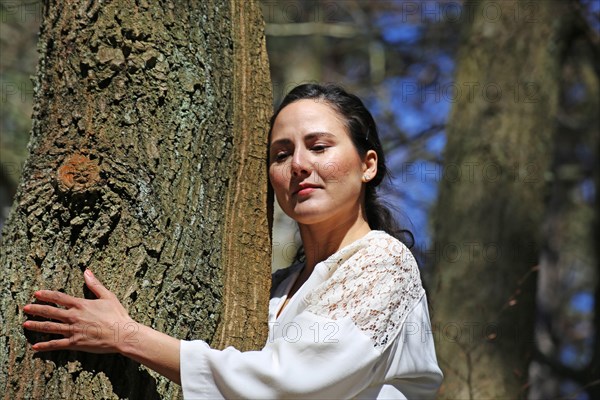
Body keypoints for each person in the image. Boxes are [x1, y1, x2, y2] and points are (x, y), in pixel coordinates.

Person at [23, 84, 443, 398]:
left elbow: (289, 383)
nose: (298, 165)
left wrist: (126, 336)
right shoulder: (276, 287)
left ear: (368, 165)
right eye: (281, 154)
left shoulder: (384, 261)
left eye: (319, 146)